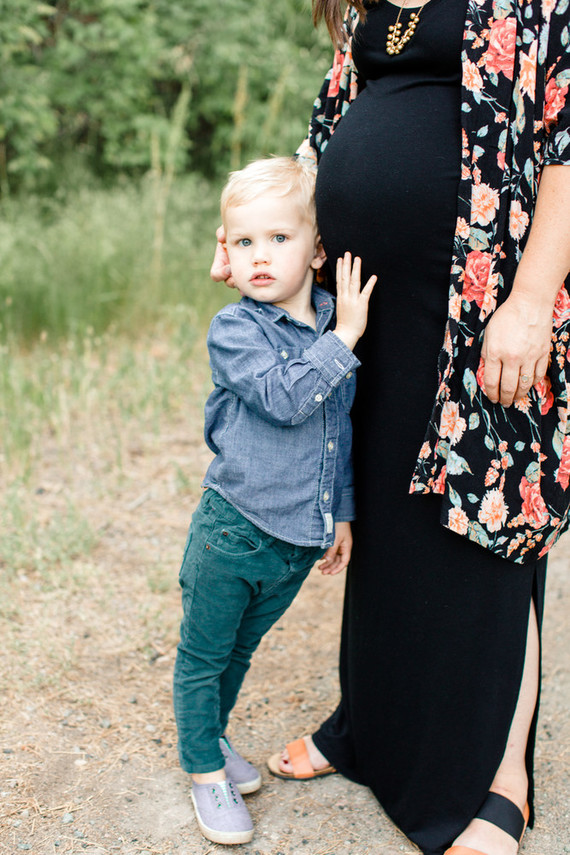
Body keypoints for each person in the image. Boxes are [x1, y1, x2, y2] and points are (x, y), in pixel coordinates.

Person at [210, 2, 570, 854]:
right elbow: (324, 138)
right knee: (384, 518)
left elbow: (564, 146)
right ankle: (367, 728)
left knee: (491, 525)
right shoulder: (372, 5)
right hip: (364, 309)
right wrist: (247, 230)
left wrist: (528, 302)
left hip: (479, 298)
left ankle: (499, 782)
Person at [173, 156, 377, 845]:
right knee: (204, 655)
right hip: (234, 529)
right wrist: (347, 337)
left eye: (279, 239)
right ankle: (204, 769)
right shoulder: (237, 331)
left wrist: (341, 511)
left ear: (316, 249)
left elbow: (336, 428)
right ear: (225, 255)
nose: (260, 256)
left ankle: (210, 737)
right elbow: (290, 399)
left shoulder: (328, 320)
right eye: (243, 242)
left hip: (294, 543)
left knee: (239, 653)